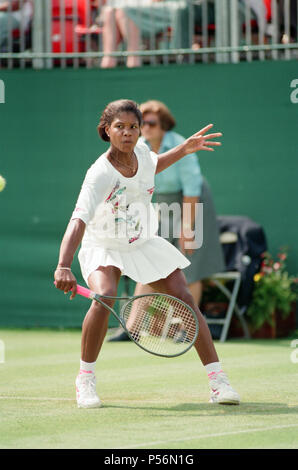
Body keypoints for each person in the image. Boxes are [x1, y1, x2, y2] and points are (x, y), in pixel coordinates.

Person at [54, 99, 240, 409]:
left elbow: (154, 165)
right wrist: (63, 265)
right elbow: (78, 220)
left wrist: (184, 149)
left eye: (133, 127)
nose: (127, 133)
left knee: (184, 296)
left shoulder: (141, 152)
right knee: (106, 295)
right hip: (103, 245)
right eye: (120, 127)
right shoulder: (99, 174)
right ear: (106, 131)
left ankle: (218, 380)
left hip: (141, 241)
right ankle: (85, 378)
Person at [109, 99, 225, 341]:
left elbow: (192, 189)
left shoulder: (178, 145)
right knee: (148, 260)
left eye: (151, 122)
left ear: (163, 126)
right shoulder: (139, 147)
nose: (146, 127)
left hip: (192, 202)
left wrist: (187, 228)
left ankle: (188, 329)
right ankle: (132, 328)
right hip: (160, 204)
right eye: (143, 123)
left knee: (188, 263)